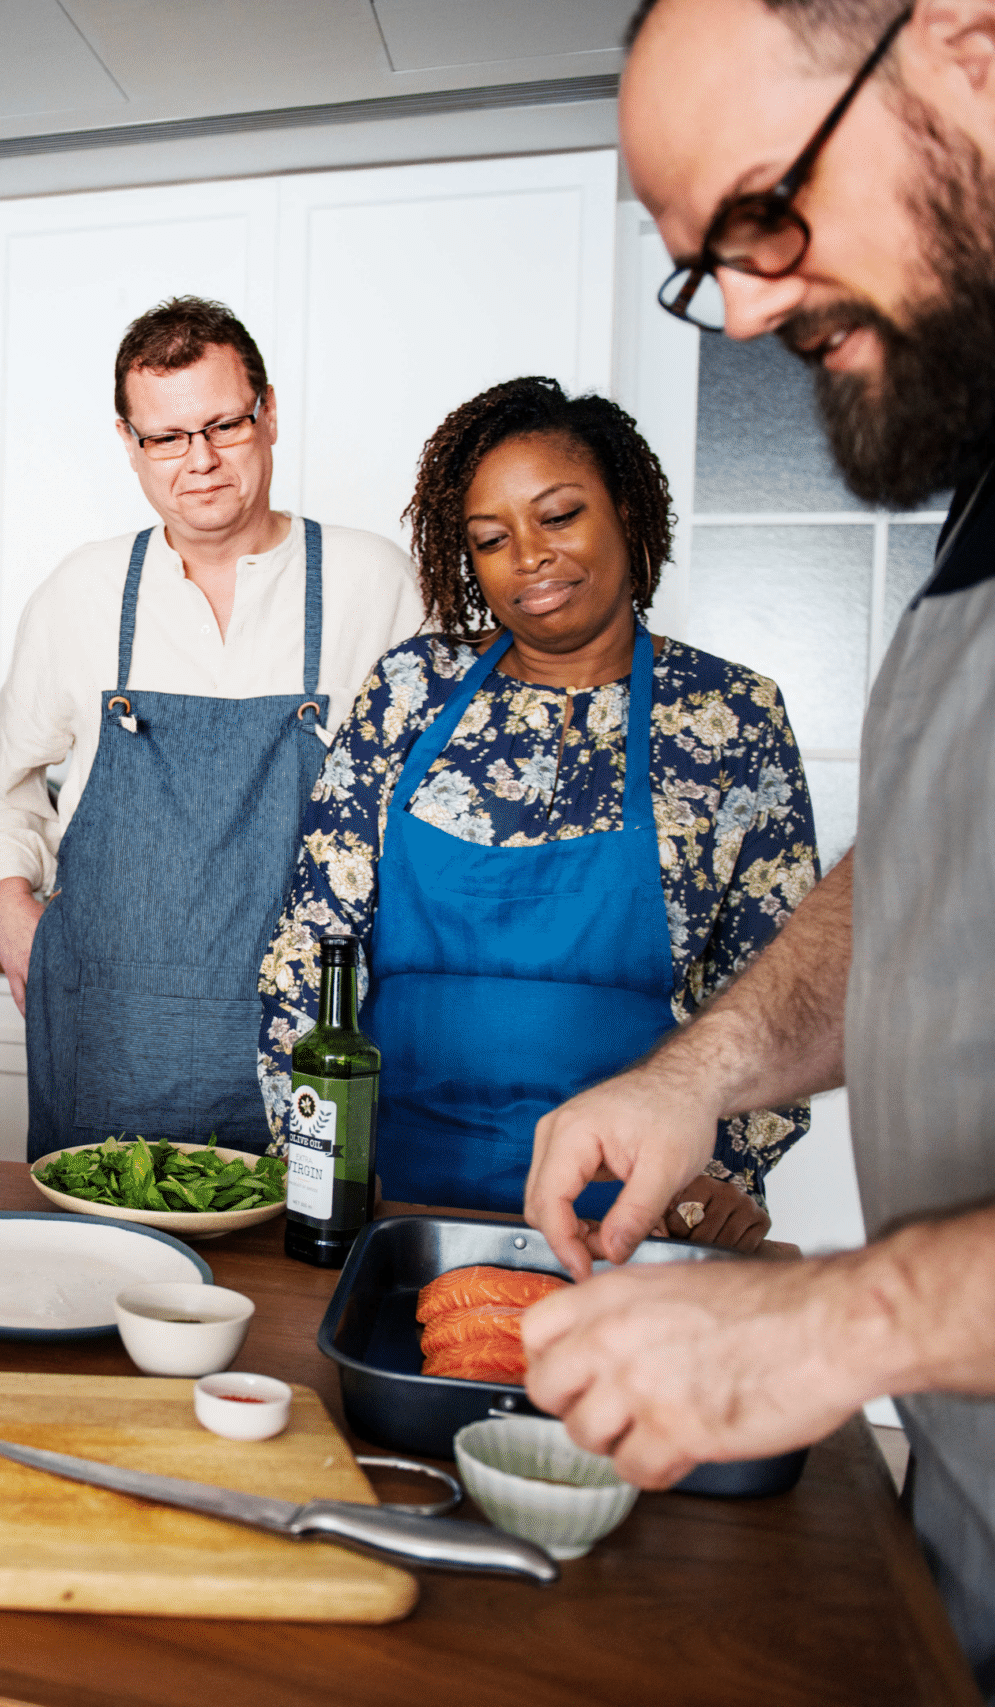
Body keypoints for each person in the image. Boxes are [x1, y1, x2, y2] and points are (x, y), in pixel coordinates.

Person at [518, 0, 995, 1699]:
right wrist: (703, 1070)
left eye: (762, 215)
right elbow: (962, 861)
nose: (746, 308)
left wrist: (832, 1323)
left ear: (969, 45)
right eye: (706, 263)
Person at [258, 378, 817, 1242]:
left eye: (559, 516)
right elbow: (309, 946)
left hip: (637, 1205)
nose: (529, 556)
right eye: (491, 538)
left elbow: (777, 978)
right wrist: (315, 1158)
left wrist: (723, 1168)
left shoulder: (731, 716)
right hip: (388, 1187)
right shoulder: (408, 691)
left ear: (625, 508)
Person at [0, 296, 424, 1161]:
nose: (200, 460)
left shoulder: (376, 583)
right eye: (166, 437)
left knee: (297, 1278)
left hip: (313, 1043)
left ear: (270, 414)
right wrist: (6, 899)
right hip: (108, 1033)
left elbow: (431, 810)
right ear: (129, 443)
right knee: (92, 1276)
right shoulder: (83, 592)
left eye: (224, 425)